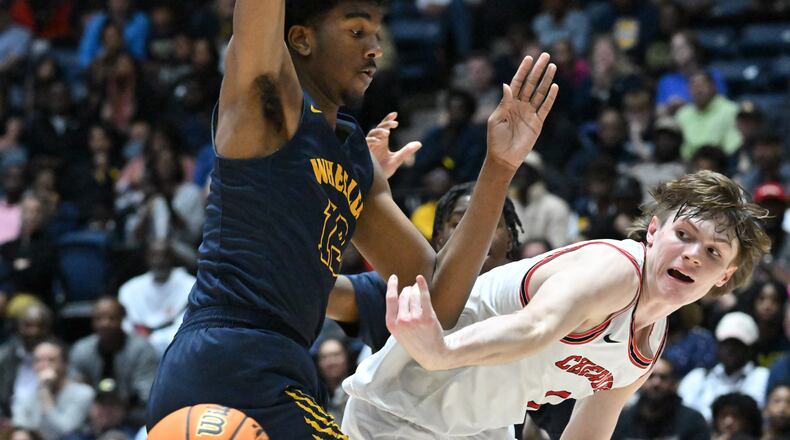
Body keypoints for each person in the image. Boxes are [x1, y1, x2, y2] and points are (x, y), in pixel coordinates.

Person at [146, 1, 559, 439]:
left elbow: (437, 301)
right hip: (225, 357)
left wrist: (498, 166)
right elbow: (257, 22)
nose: (375, 49)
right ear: (301, 39)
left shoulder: (355, 161)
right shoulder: (266, 106)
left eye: (377, 34)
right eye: (357, 32)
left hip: (284, 369)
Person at [342, 170, 771, 439]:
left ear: (725, 277)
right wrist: (441, 351)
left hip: (478, 429)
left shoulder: (648, 345)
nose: (694, 254)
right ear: (654, 231)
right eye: (685, 235)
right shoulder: (616, 269)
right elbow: (536, 327)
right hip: (402, 410)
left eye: (714, 253)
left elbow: (590, 431)